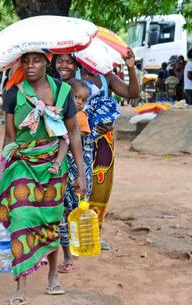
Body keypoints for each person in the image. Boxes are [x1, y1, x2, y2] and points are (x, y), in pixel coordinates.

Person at [0, 52, 86, 305]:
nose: (30, 66)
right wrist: (5, 170)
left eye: (36, 60)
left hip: (54, 166)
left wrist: (80, 172)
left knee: (51, 219)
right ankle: (21, 284)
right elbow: (9, 137)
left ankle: (53, 274)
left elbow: (72, 132)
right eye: (25, 61)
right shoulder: (14, 94)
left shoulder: (63, 92)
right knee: (21, 219)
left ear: (47, 62)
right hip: (22, 163)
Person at [56, 51, 139, 250]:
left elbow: (132, 93)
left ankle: (92, 231)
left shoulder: (106, 76)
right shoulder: (69, 75)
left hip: (102, 141)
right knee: (70, 185)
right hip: (74, 141)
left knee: (99, 186)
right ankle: (67, 234)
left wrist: (130, 66)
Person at [58, 78, 91, 273]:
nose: (79, 102)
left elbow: (79, 138)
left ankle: (74, 248)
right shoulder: (60, 115)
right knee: (61, 214)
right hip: (61, 175)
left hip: (75, 177)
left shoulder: (81, 118)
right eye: (76, 97)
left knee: (74, 212)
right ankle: (67, 253)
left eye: (83, 100)